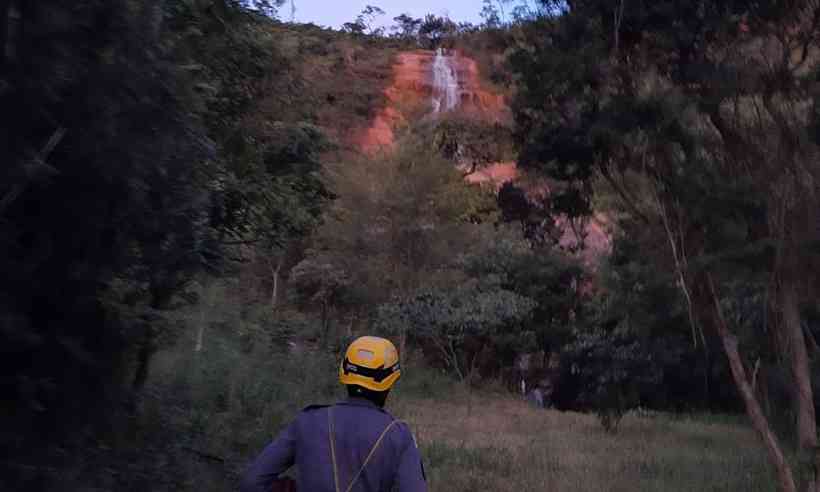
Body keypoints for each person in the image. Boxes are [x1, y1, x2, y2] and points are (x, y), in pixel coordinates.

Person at [240, 336, 427, 492]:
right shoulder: (398, 436)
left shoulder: (307, 421)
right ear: (390, 381)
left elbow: (251, 482)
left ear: (344, 372)